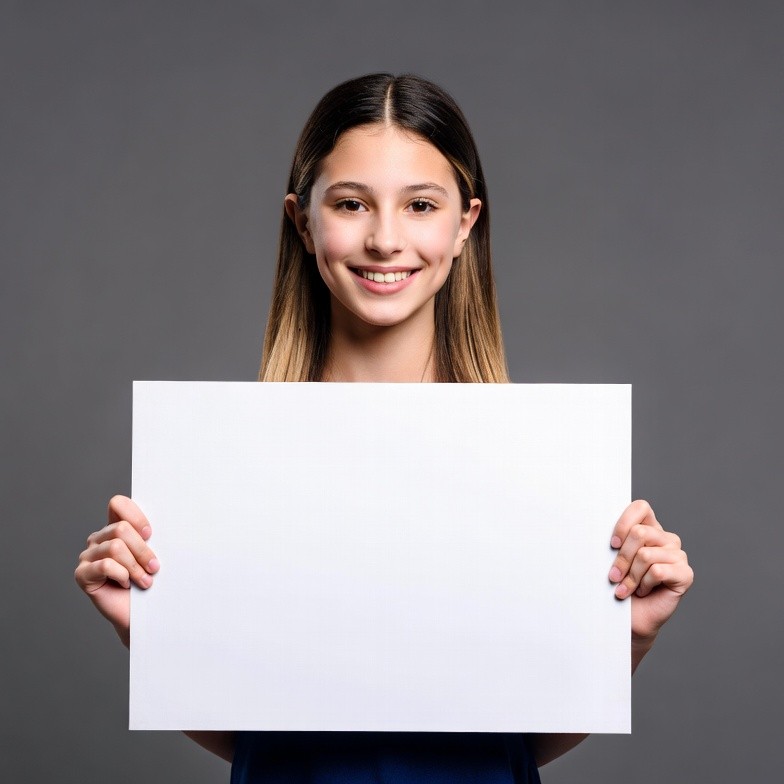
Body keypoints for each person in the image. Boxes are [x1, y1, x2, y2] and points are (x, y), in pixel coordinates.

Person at [75, 73, 693, 783]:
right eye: (350, 204)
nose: (384, 239)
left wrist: (630, 639)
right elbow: (259, 739)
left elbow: (516, 742)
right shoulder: (230, 463)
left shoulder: (538, 465)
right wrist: (148, 628)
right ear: (303, 222)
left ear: (465, 225)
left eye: (421, 205)